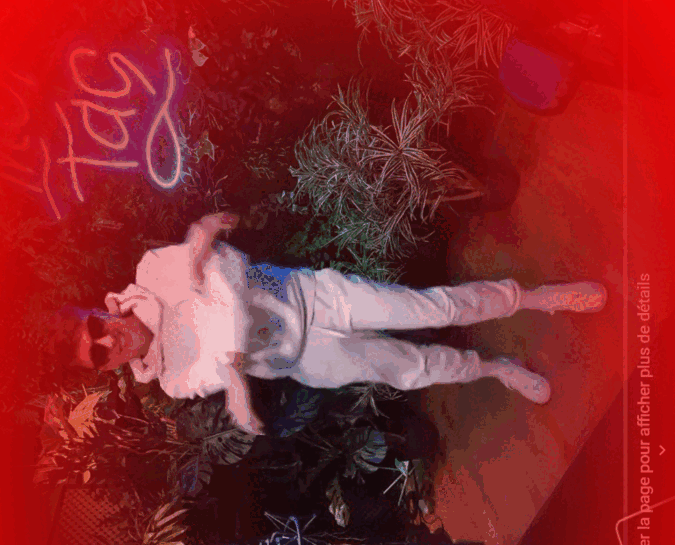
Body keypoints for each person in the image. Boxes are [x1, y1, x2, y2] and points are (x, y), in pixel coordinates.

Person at [51, 213, 607, 435]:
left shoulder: (151, 273)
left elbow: (233, 268)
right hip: (306, 359)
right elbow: (222, 310)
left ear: (101, 310)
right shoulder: (171, 380)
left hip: (316, 297)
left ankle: (535, 298)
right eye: (97, 353)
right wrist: (209, 286)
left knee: (433, 308)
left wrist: (234, 367)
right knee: (412, 371)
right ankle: (495, 369)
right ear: (105, 369)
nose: (107, 340)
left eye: (94, 327)